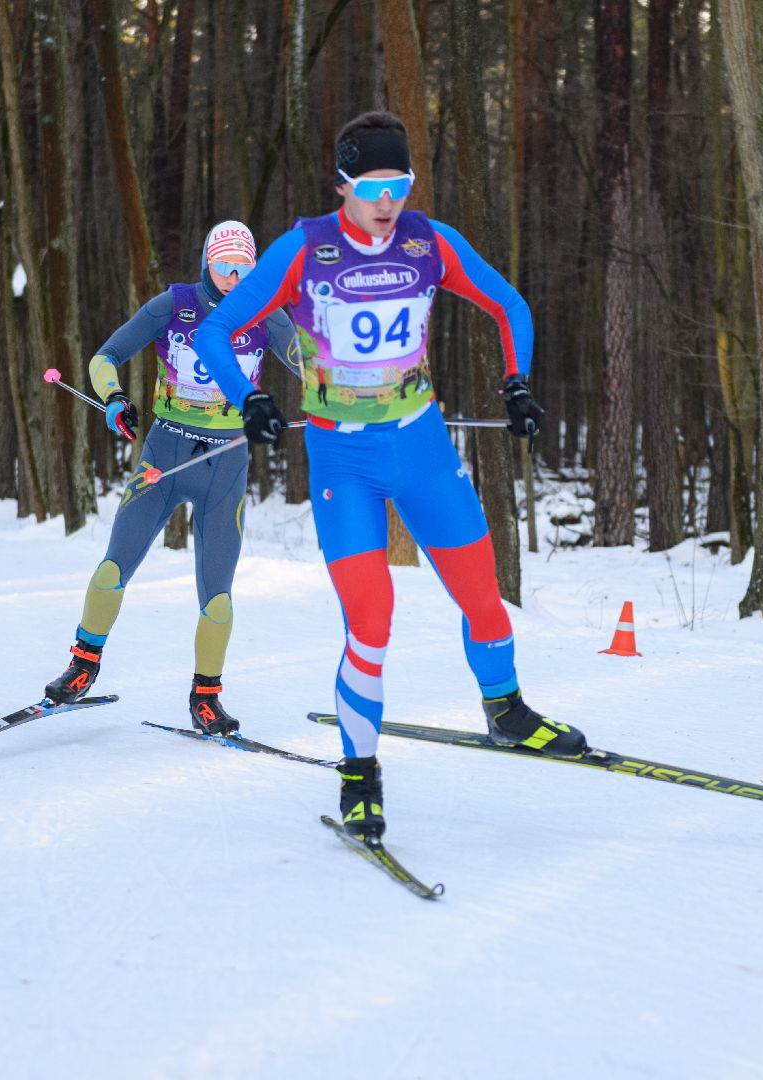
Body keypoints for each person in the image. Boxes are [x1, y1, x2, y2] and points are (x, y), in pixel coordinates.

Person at [192, 111, 587, 841]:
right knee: (371, 622)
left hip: (424, 448)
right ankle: (360, 776)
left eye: (398, 183)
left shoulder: (427, 241)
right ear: (342, 183)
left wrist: (517, 382)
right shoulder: (304, 250)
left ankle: (506, 711)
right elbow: (217, 328)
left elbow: (509, 303)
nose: (386, 200)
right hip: (345, 462)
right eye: (371, 185)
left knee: (485, 599)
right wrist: (247, 397)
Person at [42, 221, 299, 735]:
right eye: (225, 266)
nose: (233, 278)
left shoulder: (266, 313)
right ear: (208, 263)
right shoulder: (175, 305)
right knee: (114, 564)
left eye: (244, 269)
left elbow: (311, 367)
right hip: (164, 455)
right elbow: (105, 357)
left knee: (219, 594)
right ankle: (83, 664)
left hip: (226, 464)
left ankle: (206, 697)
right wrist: (114, 400)